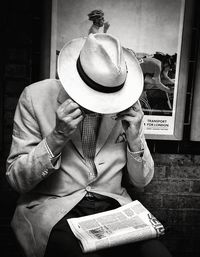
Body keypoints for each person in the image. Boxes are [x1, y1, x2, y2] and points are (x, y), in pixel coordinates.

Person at [6, 33, 173, 257]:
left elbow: (142, 181)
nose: (102, 105)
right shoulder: (35, 97)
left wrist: (134, 138)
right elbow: (17, 180)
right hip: (56, 207)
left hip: (112, 207)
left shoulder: (128, 104)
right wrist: (57, 136)